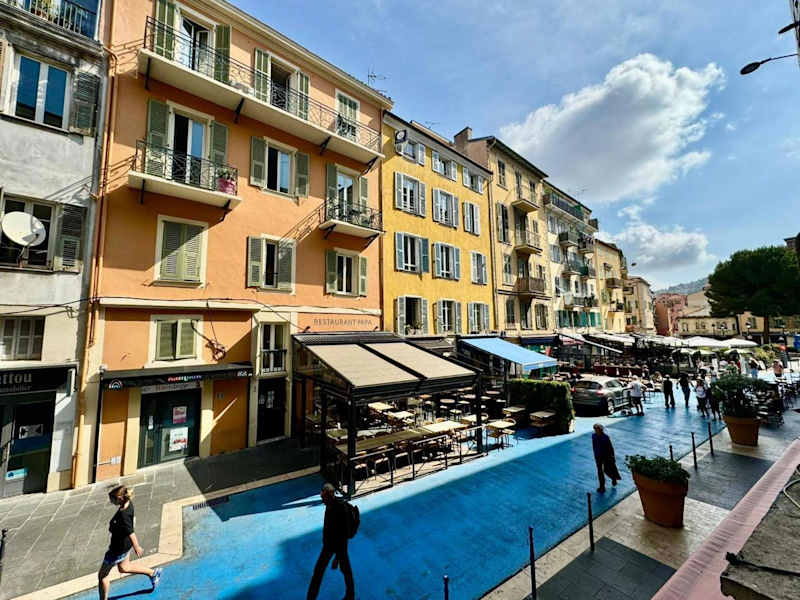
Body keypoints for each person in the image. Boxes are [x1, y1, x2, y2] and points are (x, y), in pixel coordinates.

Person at [98, 486, 162, 600]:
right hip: (126, 545)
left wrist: (137, 546)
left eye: (112, 499)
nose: (110, 502)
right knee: (124, 567)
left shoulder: (123, 515)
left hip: (117, 549)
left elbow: (131, 532)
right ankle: (153, 573)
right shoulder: (128, 504)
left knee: (103, 576)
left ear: (119, 498)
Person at [307, 483, 355, 600]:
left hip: (338, 547)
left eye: (324, 497)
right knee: (318, 572)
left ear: (330, 495)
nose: (322, 500)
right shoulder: (329, 506)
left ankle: (350, 595)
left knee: (345, 571)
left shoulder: (340, 509)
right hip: (329, 545)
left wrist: (337, 558)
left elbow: (344, 534)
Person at [592, 423, 621, 493]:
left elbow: (610, 447)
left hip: (606, 456)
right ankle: (602, 487)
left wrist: (612, 456)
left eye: (597, 429)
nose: (596, 431)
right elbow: (594, 446)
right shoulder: (593, 436)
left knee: (606, 470)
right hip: (598, 456)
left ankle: (613, 478)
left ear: (601, 430)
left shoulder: (605, 437)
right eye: (595, 429)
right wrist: (595, 454)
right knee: (600, 471)